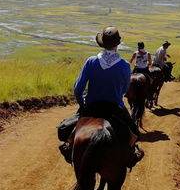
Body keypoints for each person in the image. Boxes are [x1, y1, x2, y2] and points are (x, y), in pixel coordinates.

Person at [59, 26, 144, 168]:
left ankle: (69, 148)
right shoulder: (124, 65)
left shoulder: (91, 61)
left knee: (65, 128)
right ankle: (131, 155)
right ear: (117, 44)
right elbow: (124, 89)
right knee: (134, 133)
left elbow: (78, 88)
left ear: (103, 43)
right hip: (115, 108)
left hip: (91, 106)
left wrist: (82, 102)